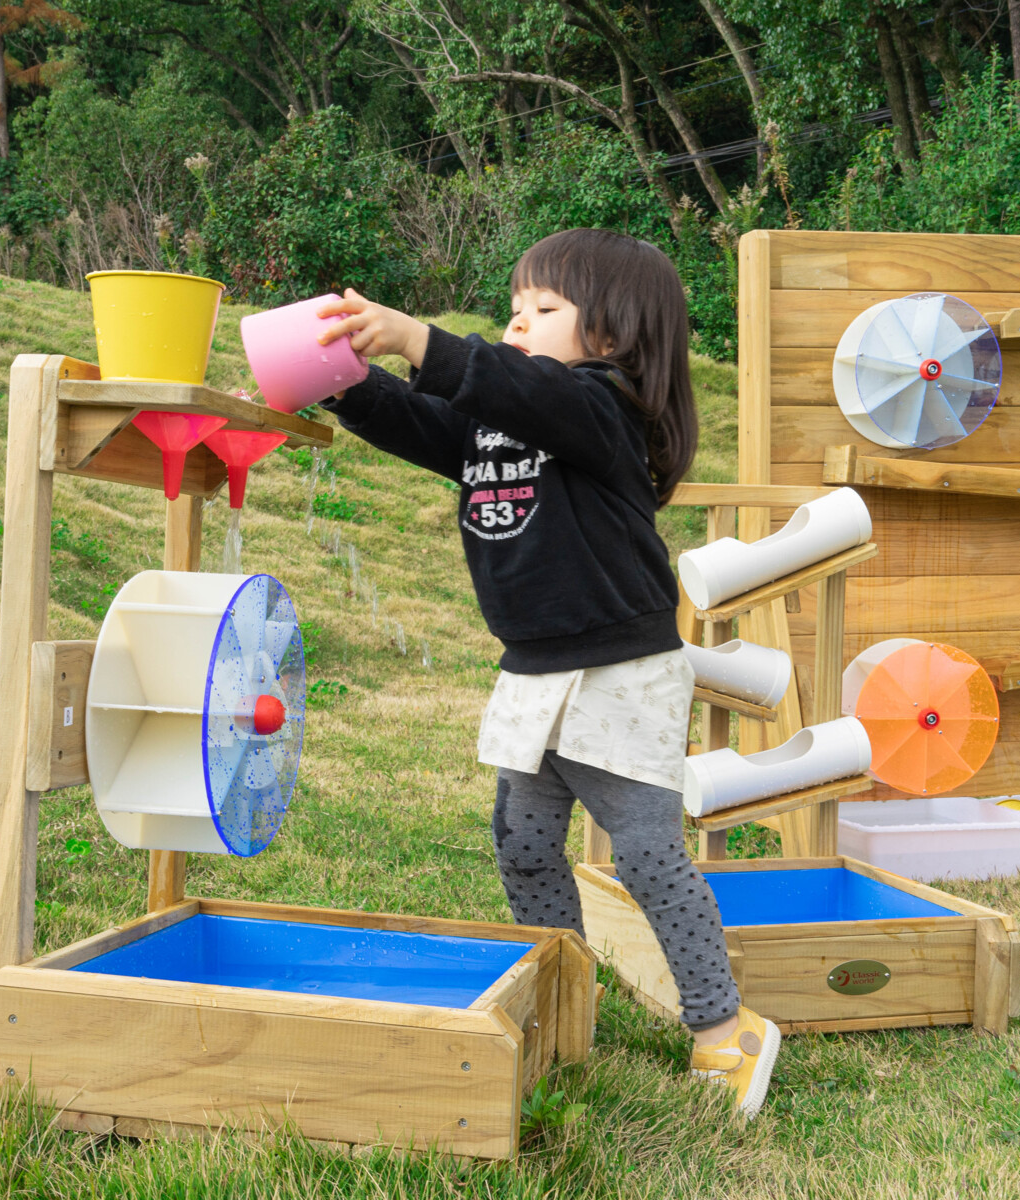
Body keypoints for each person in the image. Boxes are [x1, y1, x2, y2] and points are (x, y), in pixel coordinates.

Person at [315, 227, 779, 1117]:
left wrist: (420, 339)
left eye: (544, 308)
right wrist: (347, 383)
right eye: (514, 308)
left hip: (620, 671)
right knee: (524, 847)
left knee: (646, 854)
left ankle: (726, 1026)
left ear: (613, 335)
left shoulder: (603, 412)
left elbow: (524, 390)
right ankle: (565, 1004)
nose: (518, 323)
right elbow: (427, 425)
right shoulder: (506, 419)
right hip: (534, 674)